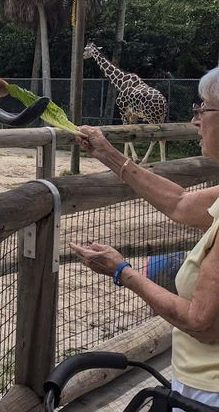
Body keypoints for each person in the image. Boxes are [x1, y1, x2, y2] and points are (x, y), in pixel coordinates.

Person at [70, 66, 219, 407]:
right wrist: (107, 153)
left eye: (203, 109)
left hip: (207, 394)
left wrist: (122, 271)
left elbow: (201, 322)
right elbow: (179, 202)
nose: (195, 120)